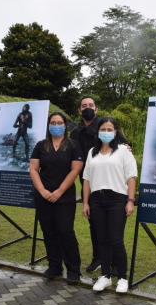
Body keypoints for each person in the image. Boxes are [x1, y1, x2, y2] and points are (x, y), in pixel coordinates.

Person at [69, 96, 130, 274]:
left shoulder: (105, 126)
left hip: (112, 185)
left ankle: (115, 263)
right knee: (95, 225)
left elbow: (125, 144)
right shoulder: (75, 132)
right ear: (79, 110)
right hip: (89, 184)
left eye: (91, 105)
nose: (87, 108)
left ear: (96, 109)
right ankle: (98, 258)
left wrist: (127, 148)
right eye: (84, 106)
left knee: (114, 228)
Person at [82, 116, 138, 293]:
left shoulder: (123, 151)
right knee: (102, 240)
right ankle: (105, 276)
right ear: (98, 132)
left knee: (115, 239)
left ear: (115, 132)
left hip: (117, 199)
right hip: (97, 199)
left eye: (109, 129)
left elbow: (131, 177)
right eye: (103, 129)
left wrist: (130, 201)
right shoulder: (92, 152)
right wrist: (85, 202)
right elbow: (86, 180)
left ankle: (122, 277)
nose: (106, 133)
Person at [29, 112, 84, 283]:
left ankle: (73, 269)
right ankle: (55, 265)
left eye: (59, 122)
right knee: (49, 232)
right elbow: (33, 169)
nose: (56, 125)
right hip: (43, 196)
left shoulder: (74, 146)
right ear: (48, 125)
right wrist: (43, 191)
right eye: (53, 122)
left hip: (64, 197)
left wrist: (59, 191)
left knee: (65, 232)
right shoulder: (40, 145)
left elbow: (75, 170)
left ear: (65, 126)